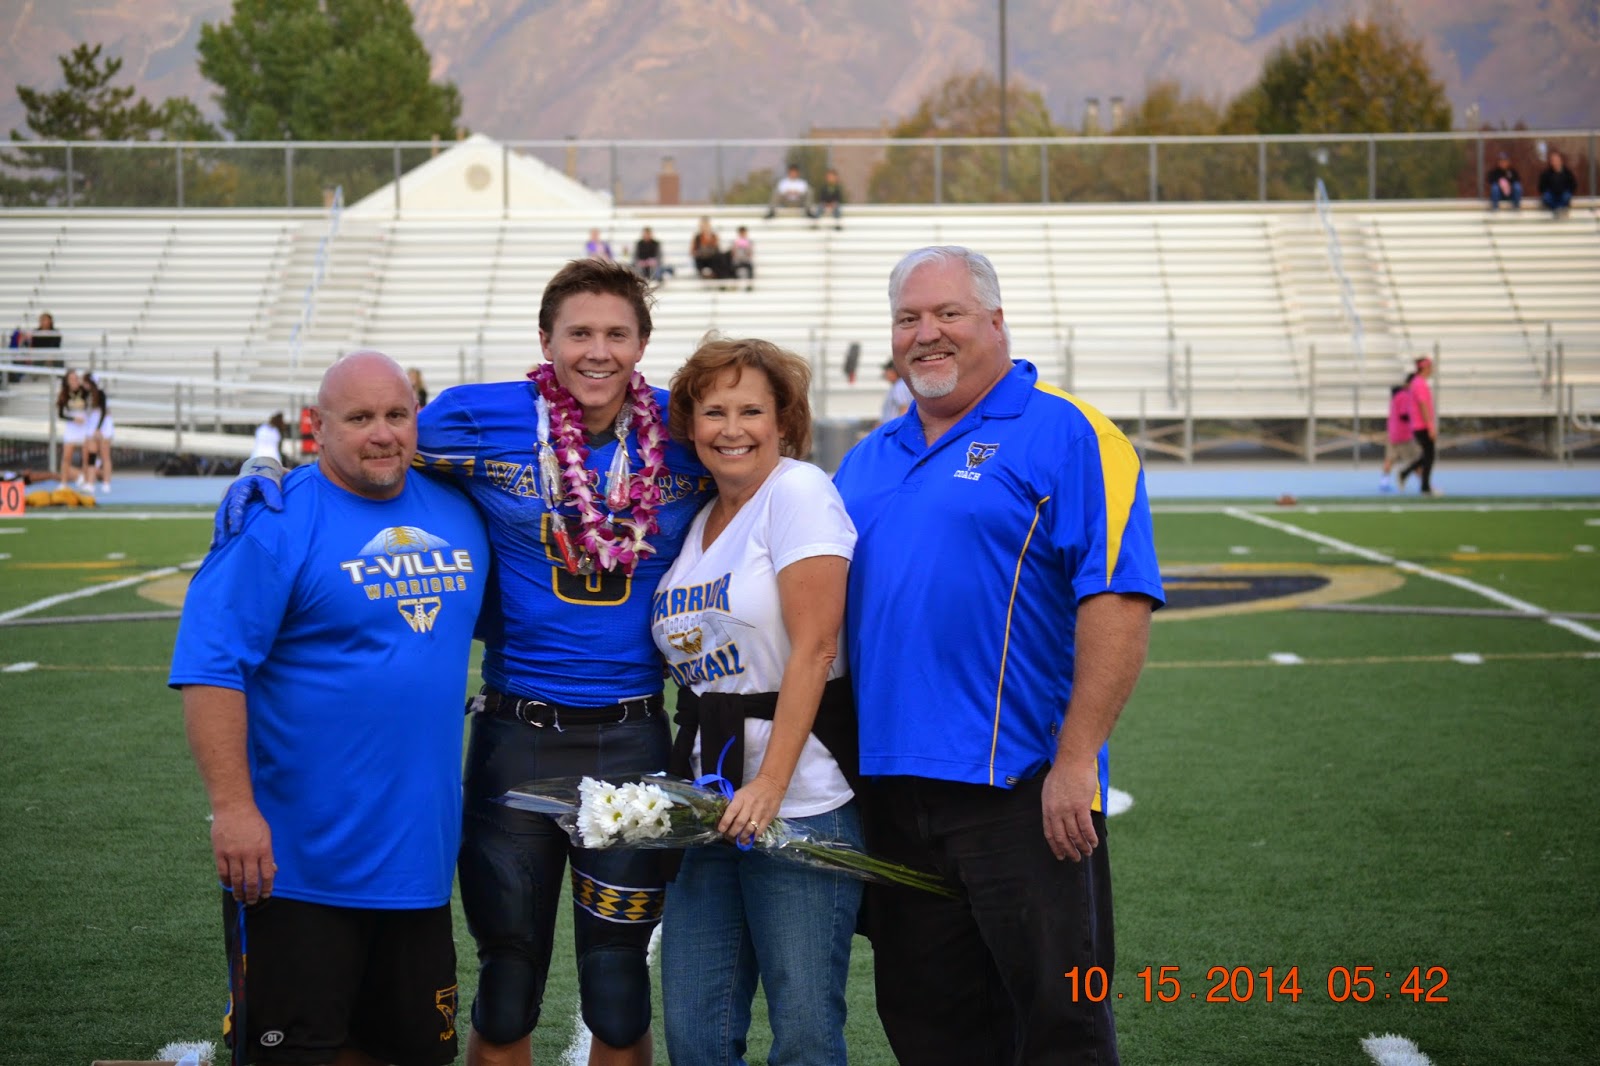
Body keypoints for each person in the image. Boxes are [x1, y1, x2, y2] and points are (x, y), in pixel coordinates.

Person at [214, 259, 716, 1066]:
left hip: (632, 735)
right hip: (518, 734)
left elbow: (759, 461)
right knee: (508, 982)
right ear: (544, 339)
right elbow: (373, 444)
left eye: (616, 333)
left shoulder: (684, 425)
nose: (597, 350)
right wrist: (267, 473)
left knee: (619, 995)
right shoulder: (477, 418)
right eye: (579, 332)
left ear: (643, 342)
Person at [832, 246, 1164, 1065]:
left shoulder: (1069, 431)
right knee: (929, 1027)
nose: (927, 334)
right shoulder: (866, 459)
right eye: (909, 319)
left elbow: (1117, 599)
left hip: (1020, 794)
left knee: (1060, 1029)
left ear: (995, 320)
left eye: (947, 314)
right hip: (890, 798)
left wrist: (1077, 761)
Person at [169, 350, 489, 1066]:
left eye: (398, 415)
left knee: (412, 1054)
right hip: (297, 866)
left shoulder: (461, 513)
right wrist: (234, 808)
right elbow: (212, 669)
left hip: (420, 862)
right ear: (318, 428)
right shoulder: (277, 520)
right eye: (361, 418)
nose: (383, 434)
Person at [654, 337, 862, 1065]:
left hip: (800, 798)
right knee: (696, 1034)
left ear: (784, 421)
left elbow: (815, 648)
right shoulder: (698, 524)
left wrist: (770, 783)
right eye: (714, 411)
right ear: (690, 424)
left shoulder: (798, 492)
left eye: (751, 410)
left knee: (805, 1032)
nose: (732, 427)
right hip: (707, 804)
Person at [1399, 355, 1439, 496]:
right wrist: (1430, 426)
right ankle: (1424, 487)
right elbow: (1423, 406)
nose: (1432, 369)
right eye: (1430, 367)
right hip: (1422, 425)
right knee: (1429, 456)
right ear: (1425, 368)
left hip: (1418, 425)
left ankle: (1406, 474)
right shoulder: (1420, 383)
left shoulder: (1416, 382)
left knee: (1427, 455)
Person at [1379, 378, 1421, 493]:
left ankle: (1384, 482)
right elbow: (1404, 415)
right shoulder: (1404, 396)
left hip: (1393, 433)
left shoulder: (1395, 398)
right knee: (1414, 459)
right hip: (1403, 434)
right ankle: (1424, 482)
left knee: (1389, 459)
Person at [54, 368, 90, 488]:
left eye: (76, 378)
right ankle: (63, 483)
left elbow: (92, 405)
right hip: (72, 427)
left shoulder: (84, 391)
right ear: (67, 381)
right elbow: (61, 415)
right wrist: (73, 419)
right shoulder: (64, 394)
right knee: (66, 457)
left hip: (84, 427)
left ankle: (85, 481)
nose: (74, 381)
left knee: (86, 457)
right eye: (72, 379)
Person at [84, 371, 113, 494]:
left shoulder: (100, 394)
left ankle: (106, 483)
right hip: (92, 425)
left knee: (105, 455)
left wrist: (98, 428)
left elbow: (103, 412)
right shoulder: (86, 394)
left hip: (103, 426)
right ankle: (90, 483)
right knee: (91, 456)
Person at [1538, 149, 1576, 218]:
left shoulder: (1567, 173)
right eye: (1553, 160)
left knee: (1566, 196)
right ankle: (1558, 209)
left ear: (1560, 161)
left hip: (1563, 194)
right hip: (1552, 195)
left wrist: (1567, 190)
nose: (1555, 162)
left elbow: (1573, 185)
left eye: (1556, 160)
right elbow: (1541, 187)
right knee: (1546, 197)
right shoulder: (1546, 173)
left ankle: (1557, 209)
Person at [877, 359, 911, 425]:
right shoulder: (898, 385)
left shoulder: (900, 386)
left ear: (894, 371)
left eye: (887, 371)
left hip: (894, 430)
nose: (885, 373)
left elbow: (904, 410)